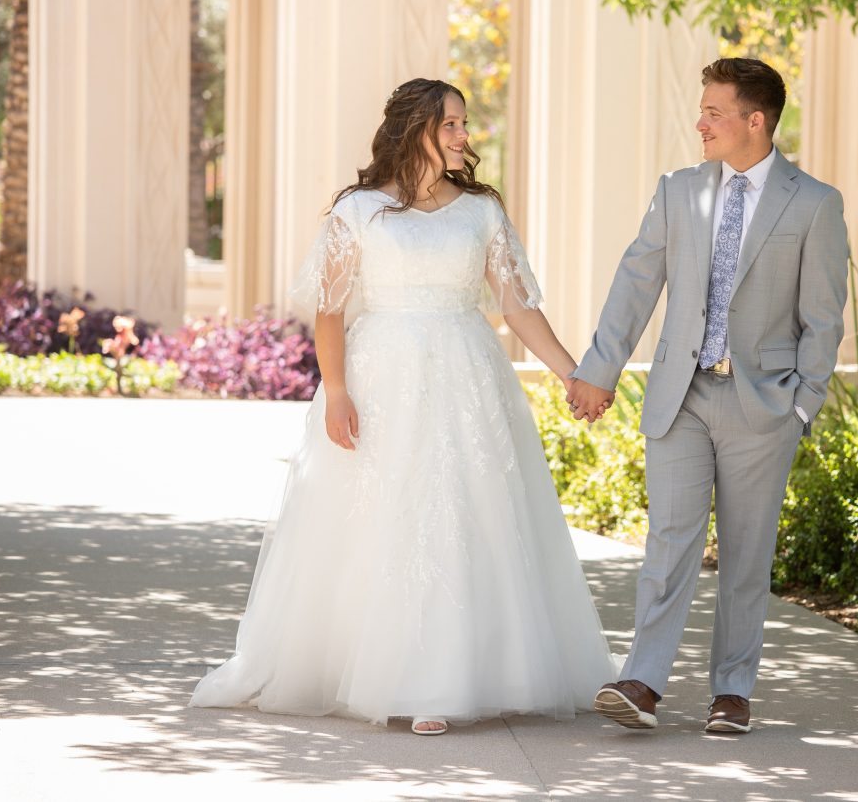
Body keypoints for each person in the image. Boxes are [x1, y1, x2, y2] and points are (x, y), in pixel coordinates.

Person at [190, 78, 615, 736]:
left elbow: (517, 306)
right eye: (451, 124)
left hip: (467, 379)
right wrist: (336, 391)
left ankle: (453, 677)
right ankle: (395, 675)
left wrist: (573, 375)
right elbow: (330, 311)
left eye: (464, 124)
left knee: (469, 515)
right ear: (415, 127)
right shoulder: (359, 210)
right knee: (388, 516)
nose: (463, 135)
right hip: (382, 379)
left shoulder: (481, 212)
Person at [568, 57, 849, 734]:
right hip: (682, 394)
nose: (700, 123)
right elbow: (636, 282)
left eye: (714, 112)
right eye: (702, 110)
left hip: (765, 404)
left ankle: (732, 690)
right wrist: (599, 368)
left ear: (756, 121)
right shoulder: (678, 190)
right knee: (669, 542)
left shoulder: (814, 203)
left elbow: (824, 317)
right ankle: (643, 681)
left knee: (746, 555)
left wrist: (802, 406)